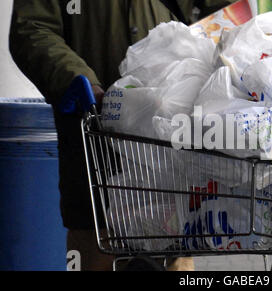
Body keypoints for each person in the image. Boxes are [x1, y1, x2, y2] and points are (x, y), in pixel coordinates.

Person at [10, 0, 234, 271]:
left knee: (174, 248)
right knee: (98, 250)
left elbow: (223, 10)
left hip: (171, 155)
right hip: (95, 150)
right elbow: (31, 28)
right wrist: (76, 78)